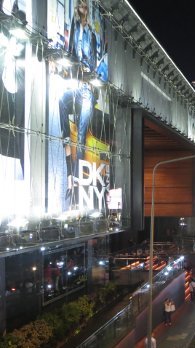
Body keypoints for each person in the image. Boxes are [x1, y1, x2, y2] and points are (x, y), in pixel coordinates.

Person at [58, 0, 98, 208]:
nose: (81, 7)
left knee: (81, 137)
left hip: (86, 88)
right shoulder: (73, 29)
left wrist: (90, 79)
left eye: (84, 5)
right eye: (79, 4)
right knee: (61, 102)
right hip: (74, 83)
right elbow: (70, 53)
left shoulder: (91, 34)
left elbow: (95, 62)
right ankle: (70, 176)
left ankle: (76, 185)